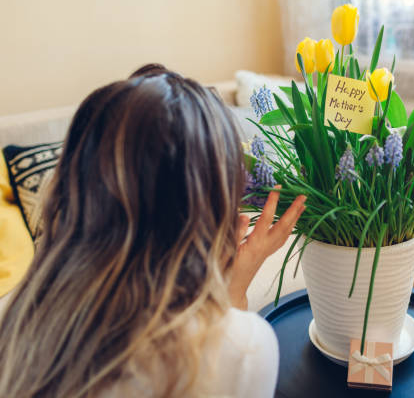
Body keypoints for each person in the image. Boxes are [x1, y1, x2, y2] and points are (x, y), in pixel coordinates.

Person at [0, 64, 306, 397]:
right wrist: (231, 292)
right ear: (209, 204)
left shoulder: (18, 316)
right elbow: (228, 354)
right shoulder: (244, 348)